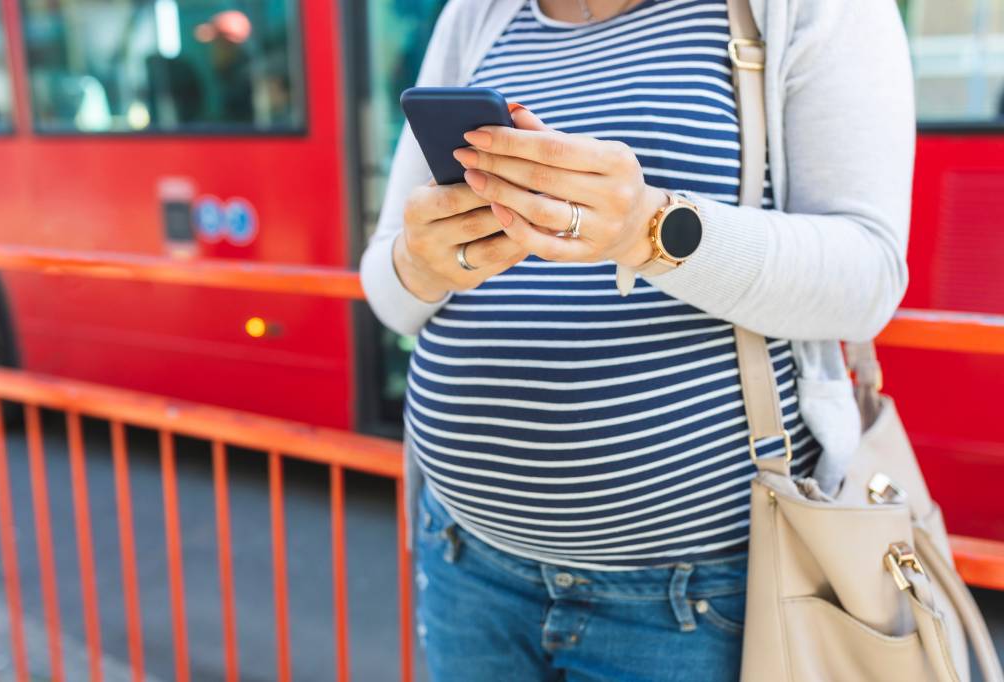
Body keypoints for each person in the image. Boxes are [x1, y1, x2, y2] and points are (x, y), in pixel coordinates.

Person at [360, 0, 915, 679]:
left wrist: (649, 229)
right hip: (465, 559)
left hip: (698, 601)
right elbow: (388, 291)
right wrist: (422, 262)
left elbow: (868, 279)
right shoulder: (478, 15)